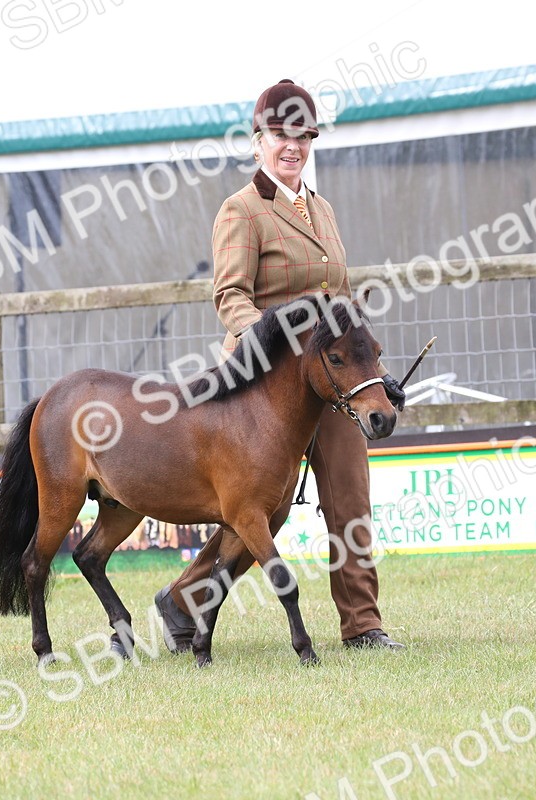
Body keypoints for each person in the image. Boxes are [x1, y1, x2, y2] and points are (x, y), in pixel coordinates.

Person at [154, 79, 407, 652]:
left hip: (334, 379)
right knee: (262, 515)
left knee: (350, 497)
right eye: (280, 135)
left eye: (303, 136)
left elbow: (340, 298)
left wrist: (370, 371)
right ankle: (184, 599)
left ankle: (363, 625)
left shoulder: (322, 209)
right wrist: (265, 343)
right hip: (264, 389)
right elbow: (231, 296)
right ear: (259, 141)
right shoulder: (240, 211)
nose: (292, 146)